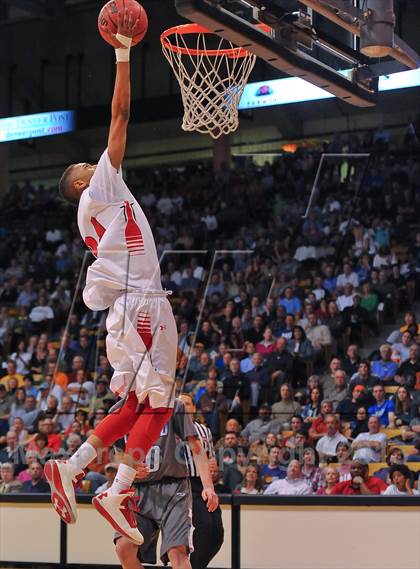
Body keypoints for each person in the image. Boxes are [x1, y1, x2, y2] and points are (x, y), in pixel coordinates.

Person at [45, 10, 177, 544]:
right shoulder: (98, 191)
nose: (91, 164)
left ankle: (73, 469)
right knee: (161, 402)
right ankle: (116, 489)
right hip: (142, 306)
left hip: (127, 313)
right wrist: (123, 53)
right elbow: (120, 116)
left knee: (135, 406)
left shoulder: (97, 205)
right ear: (81, 185)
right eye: (84, 167)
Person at [114, 398, 218, 569]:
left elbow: (196, 447)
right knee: (123, 548)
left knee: (177, 552)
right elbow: (118, 453)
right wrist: (127, 468)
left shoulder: (174, 405)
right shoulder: (122, 408)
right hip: (138, 490)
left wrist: (208, 486)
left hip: (173, 487)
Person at [179, 394, 224, 569]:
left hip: (204, 483)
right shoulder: (171, 431)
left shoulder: (204, 431)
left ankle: (196, 565)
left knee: (217, 533)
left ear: (194, 408)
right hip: (185, 483)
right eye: (180, 404)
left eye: (187, 404)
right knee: (205, 526)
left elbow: (210, 459)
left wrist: (213, 467)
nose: (184, 407)